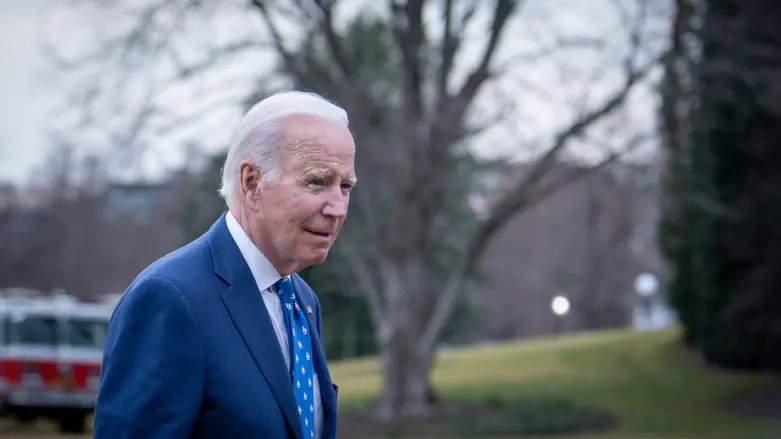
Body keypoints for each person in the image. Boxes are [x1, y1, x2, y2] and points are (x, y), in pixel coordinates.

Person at [93, 90, 356, 439]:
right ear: (251, 183)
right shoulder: (170, 298)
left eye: (345, 186)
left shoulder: (302, 302)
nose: (337, 208)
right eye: (317, 182)